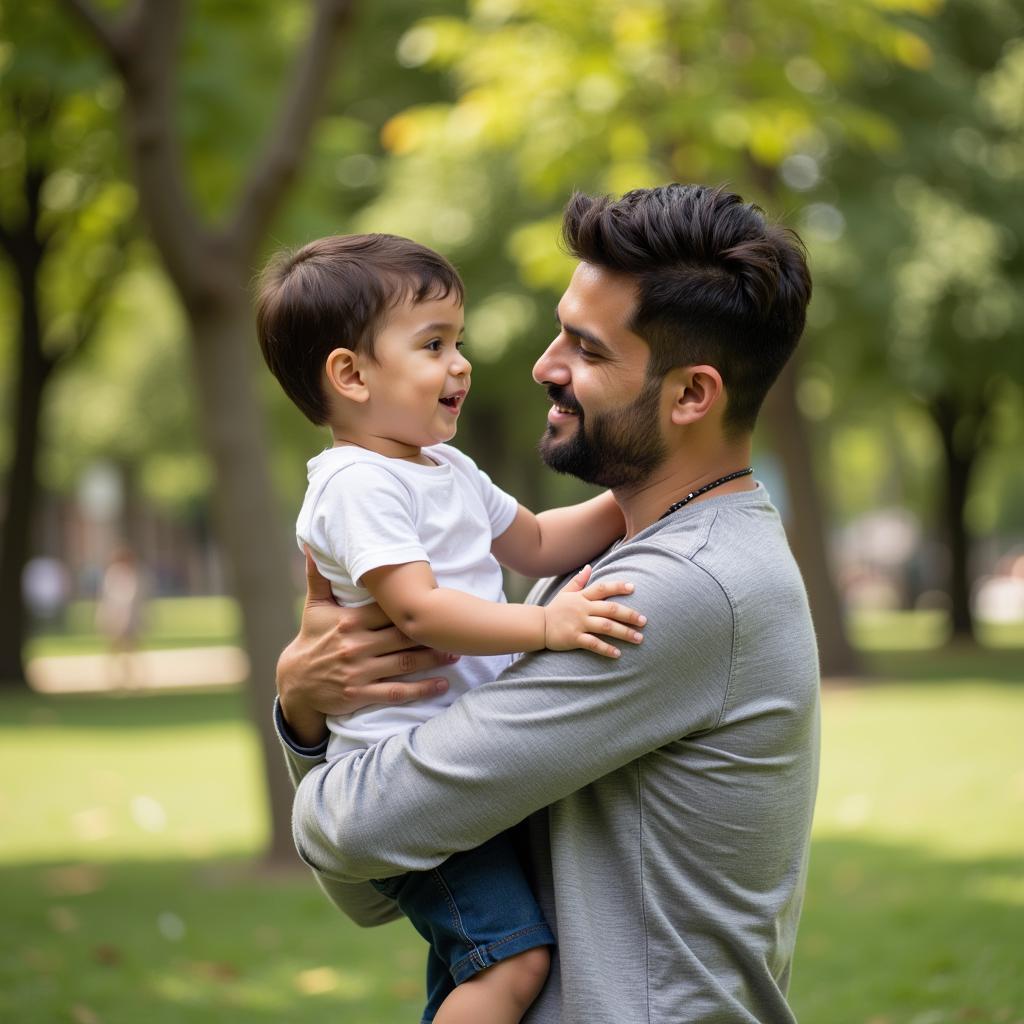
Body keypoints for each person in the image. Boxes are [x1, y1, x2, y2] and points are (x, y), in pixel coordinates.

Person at [274, 184, 821, 1023]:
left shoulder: (663, 596)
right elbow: (379, 886)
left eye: (587, 349)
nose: (542, 365)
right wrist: (317, 710)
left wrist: (306, 732)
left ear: (691, 396)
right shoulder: (609, 567)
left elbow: (354, 838)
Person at [255, 233, 647, 1024]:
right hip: (400, 775)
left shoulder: (446, 468)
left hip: (453, 763)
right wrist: (546, 624)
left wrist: (641, 491)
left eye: (457, 341)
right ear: (351, 374)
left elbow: (536, 540)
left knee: (472, 969)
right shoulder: (356, 484)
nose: (460, 363)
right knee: (513, 964)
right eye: (434, 344)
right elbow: (419, 610)